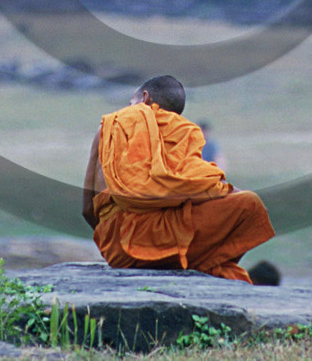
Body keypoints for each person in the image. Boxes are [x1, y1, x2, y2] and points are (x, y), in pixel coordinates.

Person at [83, 75, 274, 281]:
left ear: (145, 97)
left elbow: (87, 209)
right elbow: (197, 184)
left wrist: (111, 240)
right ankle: (207, 262)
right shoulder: (182, 132)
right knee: (250, 204)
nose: (129, 110)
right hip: (167, 242)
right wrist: (229, 193)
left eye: (131, 103)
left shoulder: (110, 126)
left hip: (116, 247)